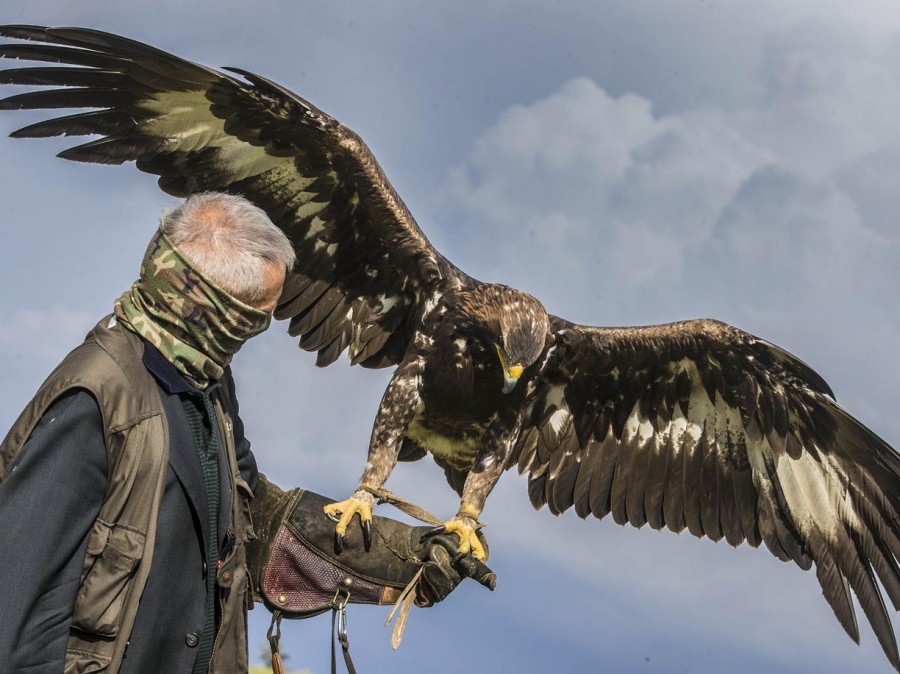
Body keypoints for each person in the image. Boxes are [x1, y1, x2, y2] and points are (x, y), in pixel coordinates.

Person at [0, 192, 493, 674]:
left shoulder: (207, 387)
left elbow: (252, 517)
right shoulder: (97, 399)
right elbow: (14, 610)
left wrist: (400, 556)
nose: (259, 331)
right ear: (219, 315)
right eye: (256, 317)